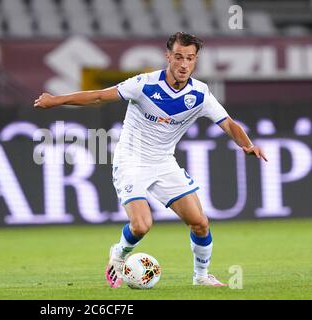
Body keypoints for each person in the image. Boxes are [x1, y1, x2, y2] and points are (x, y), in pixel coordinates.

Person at [34, 32, 267, 288]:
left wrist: (247, 145)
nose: (184, 64)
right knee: (142, 225)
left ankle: (201, 277)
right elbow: (100, 96)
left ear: (195, 61)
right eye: (178, 57)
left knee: (200, 223)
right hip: (130, 160)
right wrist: (55, 100)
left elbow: (228, 123)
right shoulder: (144, 84)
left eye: (190, 58)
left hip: (164, 162)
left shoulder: (200, 94)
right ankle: (119, 254)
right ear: (168, 57)